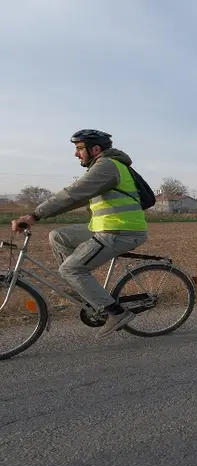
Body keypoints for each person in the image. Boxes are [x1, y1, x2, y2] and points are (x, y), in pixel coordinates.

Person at [10, 129, 148, 338]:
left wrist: (34, 216)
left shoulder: (107, 166)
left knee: (71, 269)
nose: (76, 154)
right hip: (106, 227)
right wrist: (40, 216)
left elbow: (72, 194)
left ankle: (116, 313)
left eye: (79, 148)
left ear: (95, 149)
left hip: (122, 231)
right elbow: (76, 199)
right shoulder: (103, 167)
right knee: (59, 236)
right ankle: (81, 288)